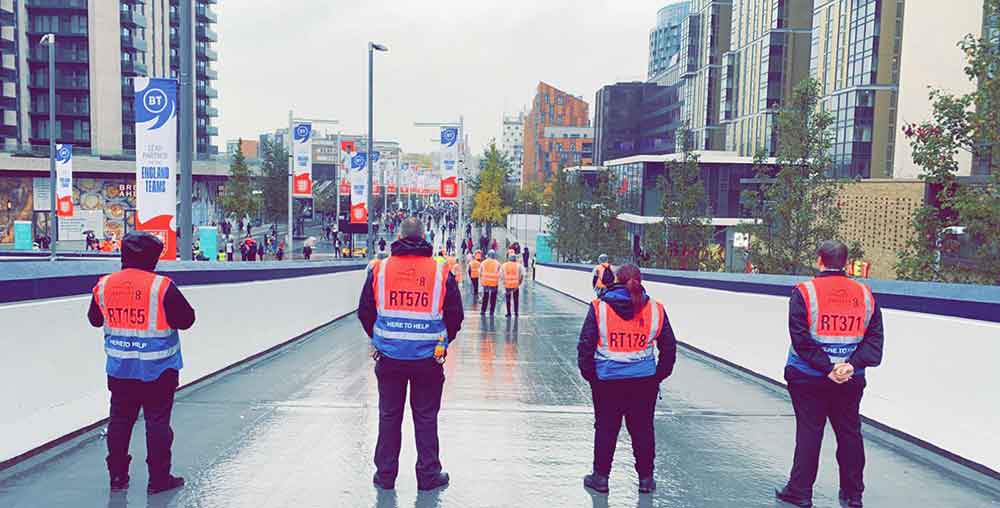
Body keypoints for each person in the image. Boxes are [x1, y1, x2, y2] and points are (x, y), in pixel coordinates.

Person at [357, 218, 463, 492]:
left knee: (389, 416)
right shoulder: (441, 271)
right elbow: (455, 315)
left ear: (399, 236)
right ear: (425, 237)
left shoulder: (380, 269)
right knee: (426, 417)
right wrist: (441, 341)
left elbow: (365, 311)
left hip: (389, 357)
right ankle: (428, 475)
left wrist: (381, 337)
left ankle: (385, 475)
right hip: (427, 359)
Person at [775, 241, 884, 508]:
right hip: (850, 378)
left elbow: (800, 340)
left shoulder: (805, 292)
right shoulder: (866, 294)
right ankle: (853, 494)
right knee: (849, 433)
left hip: (807, 377)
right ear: (846, 264)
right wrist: (849, 365)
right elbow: (874, 343)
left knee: (810, 432)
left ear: (819, 261)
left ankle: (800, 492)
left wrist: (828, 368)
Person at [87, 231, 196, 495]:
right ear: (152, 258)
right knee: (157, 422)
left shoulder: (104, 285)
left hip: (120, 368)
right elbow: (187, 320)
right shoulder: (162, 286)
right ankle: (158, 480)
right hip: (159, 369)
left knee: (120, 421)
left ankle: (117, 477)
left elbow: (94, 319)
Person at [577, 264, 677, 495]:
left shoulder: (599, 307)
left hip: (607, 382)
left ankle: (600, 478)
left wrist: (592, 376)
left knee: (606, 429)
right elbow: (669, 347)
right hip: (643, 383)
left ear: (617, 280)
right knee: (643, 430)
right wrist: (657, 375)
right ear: (640, 280)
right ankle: (645, 480)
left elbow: (585, 345)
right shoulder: (656, 309)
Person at [500, 253, 525, 317]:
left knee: (508, 300)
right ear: (515, 259)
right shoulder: (519, 266)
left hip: (507, 285)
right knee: (516, 300)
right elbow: (522, 275)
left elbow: (501, 275)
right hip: (515, 285)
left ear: (509, 258)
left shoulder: (504, 265)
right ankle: (516, 313)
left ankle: (509, 313)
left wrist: (503, 282)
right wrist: (520, 282)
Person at [479, 250, 502, 316]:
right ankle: (491, 311)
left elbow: (480, 272)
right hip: (494, 283)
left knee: (485, 297)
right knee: (493, 298)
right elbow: (500, 274)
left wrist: (481, 281)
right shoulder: (497, 263)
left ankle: (483, 310)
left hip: (485, 282)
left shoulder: (483, 263)